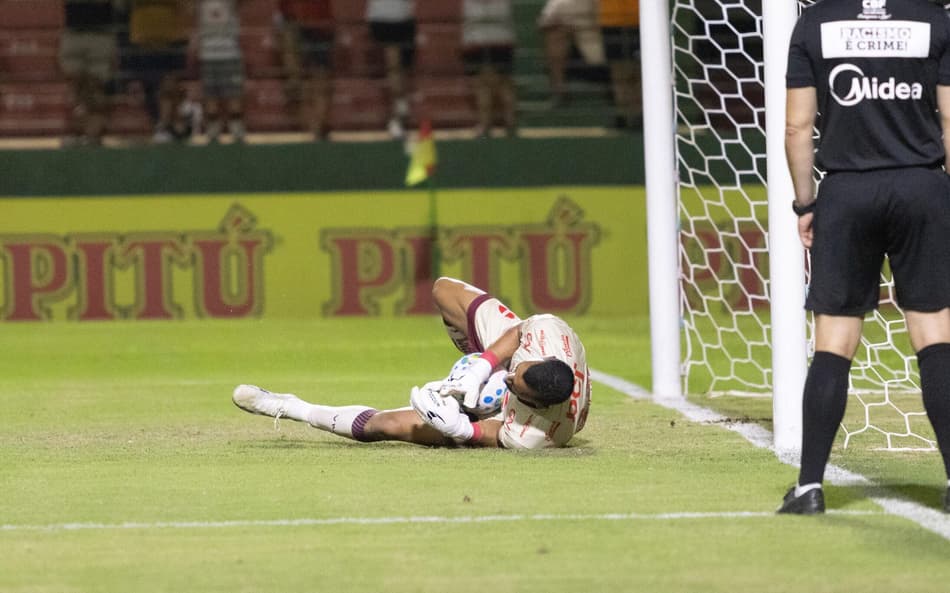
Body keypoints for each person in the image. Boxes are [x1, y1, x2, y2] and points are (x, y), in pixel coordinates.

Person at [779, 0, 950, 515]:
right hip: (922, 186)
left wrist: (806, 203)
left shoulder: (815, 23)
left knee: (834, 341)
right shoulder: (935, 20)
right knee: (936, 336)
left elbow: (796, 128)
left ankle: (810, 486)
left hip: (847, 193)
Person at [232, 277, 591, 449]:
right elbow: (517, 334)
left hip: (502, 419)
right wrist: (482, 367)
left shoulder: (537, 434)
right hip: (516, 355)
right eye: (516, 373)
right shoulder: (548, 332)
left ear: (537, 403)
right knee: (444, 291)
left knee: (385, 425)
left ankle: (290, 406)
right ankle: (466, 377)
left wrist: (461, 428)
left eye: (515, 384)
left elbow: (497, 434)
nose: (510, 378)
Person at [120, 0, 191, 143]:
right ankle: (167, 124)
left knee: (169, 83)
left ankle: (168, 125)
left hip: (171, 37)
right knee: (149, 87)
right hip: (142, 39)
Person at [59, 0, 121, 146]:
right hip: (73, 31)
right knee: (77, 86)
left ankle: (93, 134)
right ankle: (78, 132)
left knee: (96, 85)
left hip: (101, 34)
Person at [275, 0, 334, 141]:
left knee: (320, 78)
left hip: (319, 24)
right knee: (297, 80)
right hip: (292, 21)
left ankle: (318, 129)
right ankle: (308, 128)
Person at [461, 0, 517, 138]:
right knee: (503, 83)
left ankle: (487, 125)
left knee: (485, 85)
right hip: (496, 37)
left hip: (481, 37)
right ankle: (509, 124)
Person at [536, 0, 604, 108]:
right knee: (555, 35)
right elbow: (544, 22)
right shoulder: (560, 2)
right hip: (576, 55)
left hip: (603, 49)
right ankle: (560, 93)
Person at [196, 0, 246, 143]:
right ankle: (212, 130)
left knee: (234, 94)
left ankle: (237, 129)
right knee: (210, 95)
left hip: (230, 52)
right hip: (207, 54)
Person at [365, 0, 415, 139]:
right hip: (385, 19)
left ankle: (399, 112)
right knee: (394, 66)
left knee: (400, 70)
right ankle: (397, 115)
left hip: (403, 18)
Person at [598, 0, 640, 130]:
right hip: (611, 20)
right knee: (618, 73)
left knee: (638, 73)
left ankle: (639, 115)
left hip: (639, 19)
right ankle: (623, 115)